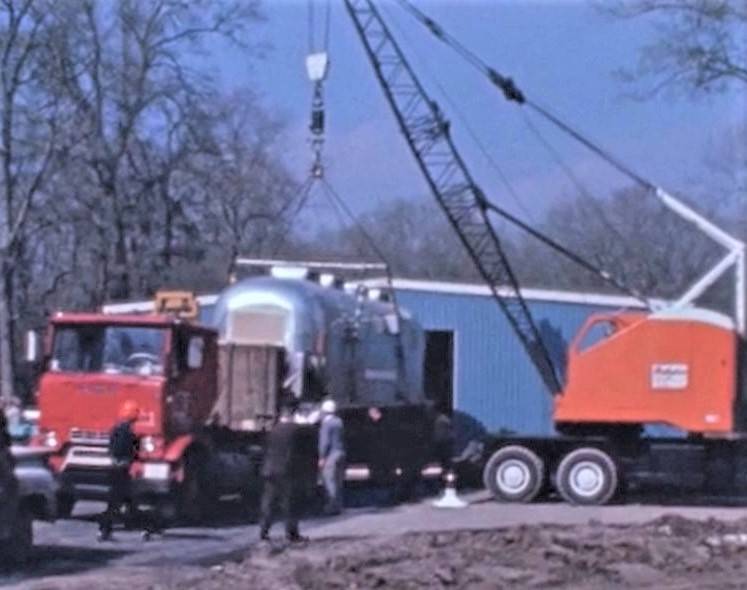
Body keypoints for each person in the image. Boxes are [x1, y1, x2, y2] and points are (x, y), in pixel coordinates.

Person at [259, 405, 307, 542]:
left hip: (269, 470)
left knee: (268, 501)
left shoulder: (273, 430)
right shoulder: (296, 430)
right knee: (289, 502)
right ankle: (292, 533)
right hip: (287, 470)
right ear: (292, 415)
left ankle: (264, 531)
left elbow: (266, 449)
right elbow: (302, 450)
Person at [99, 399, 140, 541]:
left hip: (115, 467)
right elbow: (133, 451)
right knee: (116, 501)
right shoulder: (128, 433)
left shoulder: (115, 429)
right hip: (121, 468)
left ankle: (134, 524)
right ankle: (105, 529)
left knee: (126, 498)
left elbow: (111, 448)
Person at [365, 406, 398, 507]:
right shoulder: (384, 423)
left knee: (384, 477)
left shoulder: (380, 425)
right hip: (382, 455)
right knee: (384, 477)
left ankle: (387, 499)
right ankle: (387, 498)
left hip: (382, 455)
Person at [318, 399, 345, 515]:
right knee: (338, 481)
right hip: (341, 452)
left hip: (331, 456)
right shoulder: (339, 422)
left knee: (329, 480)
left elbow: (324, 442)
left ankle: (331, 506)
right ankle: (339, 505)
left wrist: (322, 457)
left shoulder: (326, 424)